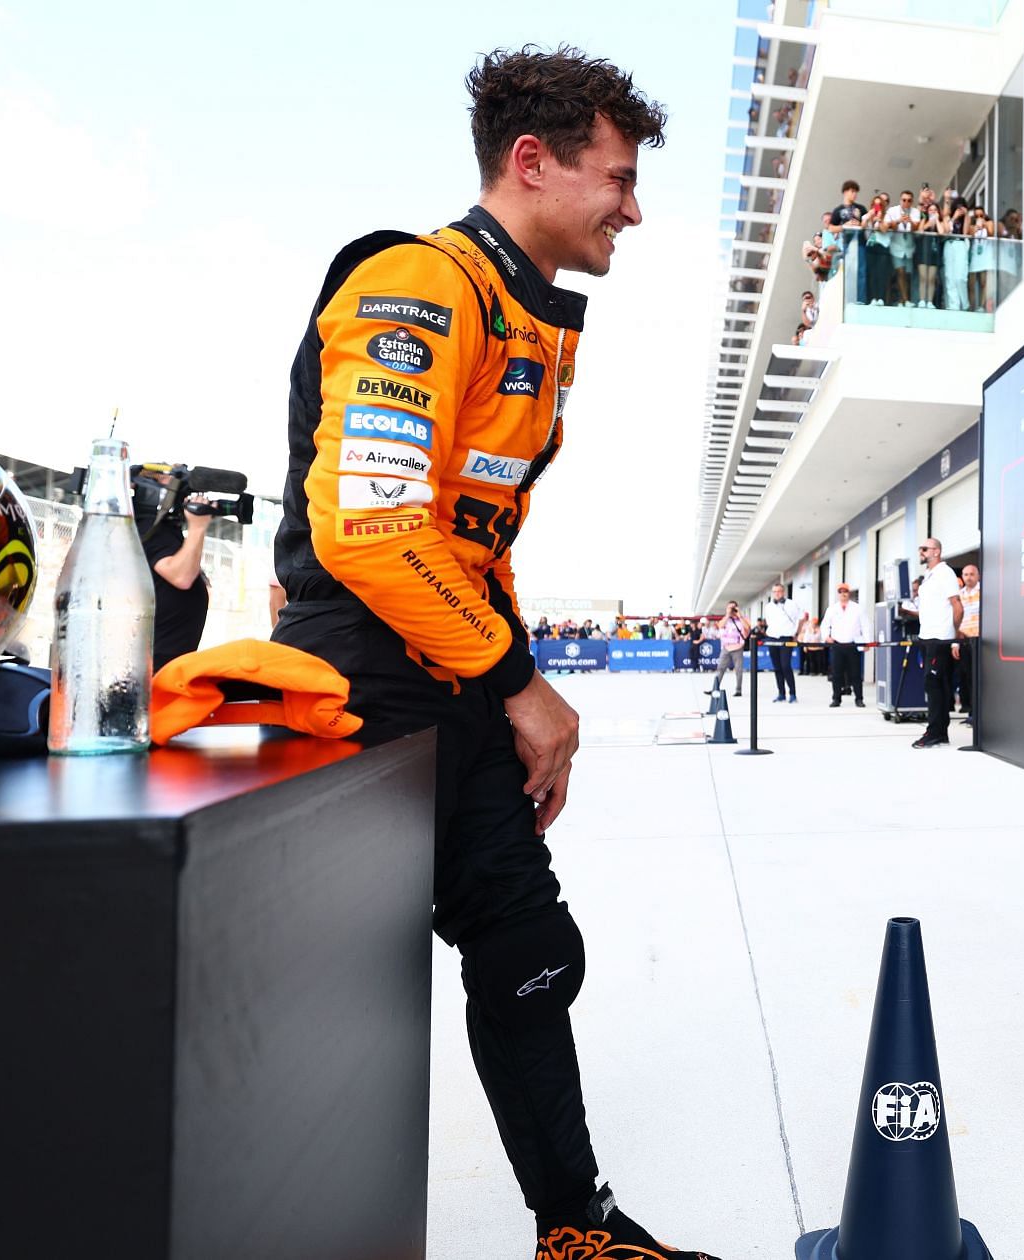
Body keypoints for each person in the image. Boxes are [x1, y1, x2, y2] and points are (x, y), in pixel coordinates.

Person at [268, 46, 721, 1259]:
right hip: (356, 679)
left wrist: (523, 691)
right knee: (320, 997)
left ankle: (575, 1233)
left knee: (529, 951)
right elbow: (369, 529)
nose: (634, 207)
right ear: (534, 162)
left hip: (452, 669)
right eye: (618, 178)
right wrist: (518, 683)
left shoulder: (527, 314)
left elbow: (479, 540)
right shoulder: (419, 281)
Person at [136, 480, 212, 671]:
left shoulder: (162, 529)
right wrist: (198, 527)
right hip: (152, 665)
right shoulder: (148, 527)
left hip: (164, 661)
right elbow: (181, 576)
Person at [910, 538, 962, 748]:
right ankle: (940, 732)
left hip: (940, 638)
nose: (921, 551)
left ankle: (935, 732)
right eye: (920, 548)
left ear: (937, 552)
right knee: (933, 685)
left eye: (925, 548)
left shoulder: (945, 573)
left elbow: (957, 606)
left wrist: (954, 636)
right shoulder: (929, 576)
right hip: (927, 636)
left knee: (935, 685)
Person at [821, 583, 869, 706]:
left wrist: (867, 642)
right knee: (836, 674)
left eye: (846, 591)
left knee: (855, 673)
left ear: (849, 593)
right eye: (841, 591)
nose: (843, 594)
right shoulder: (832, 609)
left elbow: (866, 625)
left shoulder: (858, 608)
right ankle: (836, 699)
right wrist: (826, 636)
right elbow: (825, 624)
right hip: (837, 645)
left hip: (853, 644)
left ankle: (859, 698)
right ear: (838, 594)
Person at [762, 582, 801, 702]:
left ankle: (793, 694)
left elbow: (798, 619)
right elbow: (769, 621)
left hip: (786, 638)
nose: (777, 593)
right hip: (772, 637)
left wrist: (795, 633)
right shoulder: (768, 606)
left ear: (783, 592)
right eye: (774, 591)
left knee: (786, 666)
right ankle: (781, 693)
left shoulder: (792, 604)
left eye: (779, 591)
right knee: (777, 667)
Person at [956, 561, 981, 719]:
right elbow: (956, 619)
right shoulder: (959, 595)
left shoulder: (984, 592)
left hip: (980, 640)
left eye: (972, 574)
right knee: (966, 677)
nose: (969, 577)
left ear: (978, 576)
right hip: (964, 640)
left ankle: (979, 712)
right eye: (966, 574)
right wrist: (955, 642)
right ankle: (971, 711)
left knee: (978, 676)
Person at [716, 600, 749, 696]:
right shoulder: (725, 619)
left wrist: (740, 615)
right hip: (726, 647)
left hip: (738, 647)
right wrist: (727, 615)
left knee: (738, 670)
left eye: (733, 607)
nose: (731, 610)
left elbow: (747, 628)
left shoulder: (742, 618)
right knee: (720, 668)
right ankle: (715, 688)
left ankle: (738, 690)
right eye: (729, 608)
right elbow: (720, 625)